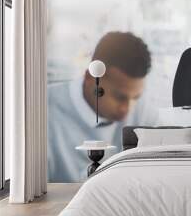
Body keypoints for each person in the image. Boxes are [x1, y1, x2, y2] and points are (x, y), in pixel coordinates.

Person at [48, 31, 152, 183]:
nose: (127, 110)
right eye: (119, 97)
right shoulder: (44, 112)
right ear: (91, 78)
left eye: (135, 98)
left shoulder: (141, 108)